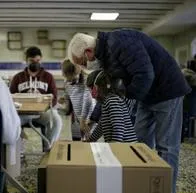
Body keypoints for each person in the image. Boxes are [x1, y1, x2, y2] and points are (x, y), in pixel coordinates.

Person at [67, 29, 191, 193]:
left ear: (88, 51)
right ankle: (141, 185)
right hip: (147, 94)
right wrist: (94, 118)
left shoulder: (120, 43)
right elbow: (106, 96)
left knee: (166, 147)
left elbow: (145, 75)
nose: (83, 67)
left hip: (167, 90)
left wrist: (123, 104)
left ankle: (166, 189)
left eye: (83, 62)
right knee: (139, 145)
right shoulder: (106, 57)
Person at [10, 46, 62, 150]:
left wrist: (43, 101)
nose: (35, 63)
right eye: (31, 61)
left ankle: (49, 148)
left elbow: (55, 97)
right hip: (22, 115)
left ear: (41, 59)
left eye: (37, 60)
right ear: (26, 61)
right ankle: (18, 150)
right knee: (8, 122)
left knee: (57, 120)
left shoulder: (48, 77)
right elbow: (10, 99)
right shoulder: (18, 77)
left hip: (42, 114)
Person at [86, 70, 137, 142]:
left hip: (125, 146)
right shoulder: (106, 101)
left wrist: (114, 145)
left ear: (97, 87)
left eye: (91, 89)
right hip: (120, 145)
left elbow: (119, 127)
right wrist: (91, 140)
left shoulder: (112, 100)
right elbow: (101, 126)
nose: (91, 92)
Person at [60, 59, 95, 140]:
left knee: (89, 143)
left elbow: (89, 101)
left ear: (71, 73)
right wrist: (64, 98)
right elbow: (69, 94)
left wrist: (83, 121)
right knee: (77, 142)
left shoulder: (86, 82)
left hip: (88, 119)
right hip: (77, 119)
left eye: (64, 73)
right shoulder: (68, 83)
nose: (62, 75)